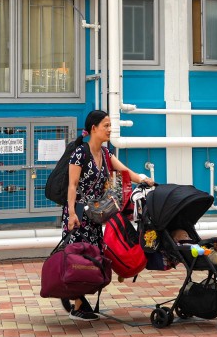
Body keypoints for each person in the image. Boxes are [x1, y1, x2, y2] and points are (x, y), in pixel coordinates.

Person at [63, 109, 155, 321]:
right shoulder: (80, 153)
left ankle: (80, 300)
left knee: (94, 256)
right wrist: (70, 214)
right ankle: (78, 305)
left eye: (110, 125)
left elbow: (125, 173)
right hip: (78, 212)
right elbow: (72, 185)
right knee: (80, 257)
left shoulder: (106, 154)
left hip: (95, 215)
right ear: (93, 128)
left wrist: (142, 179)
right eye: (106, 125)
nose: (109, 129)